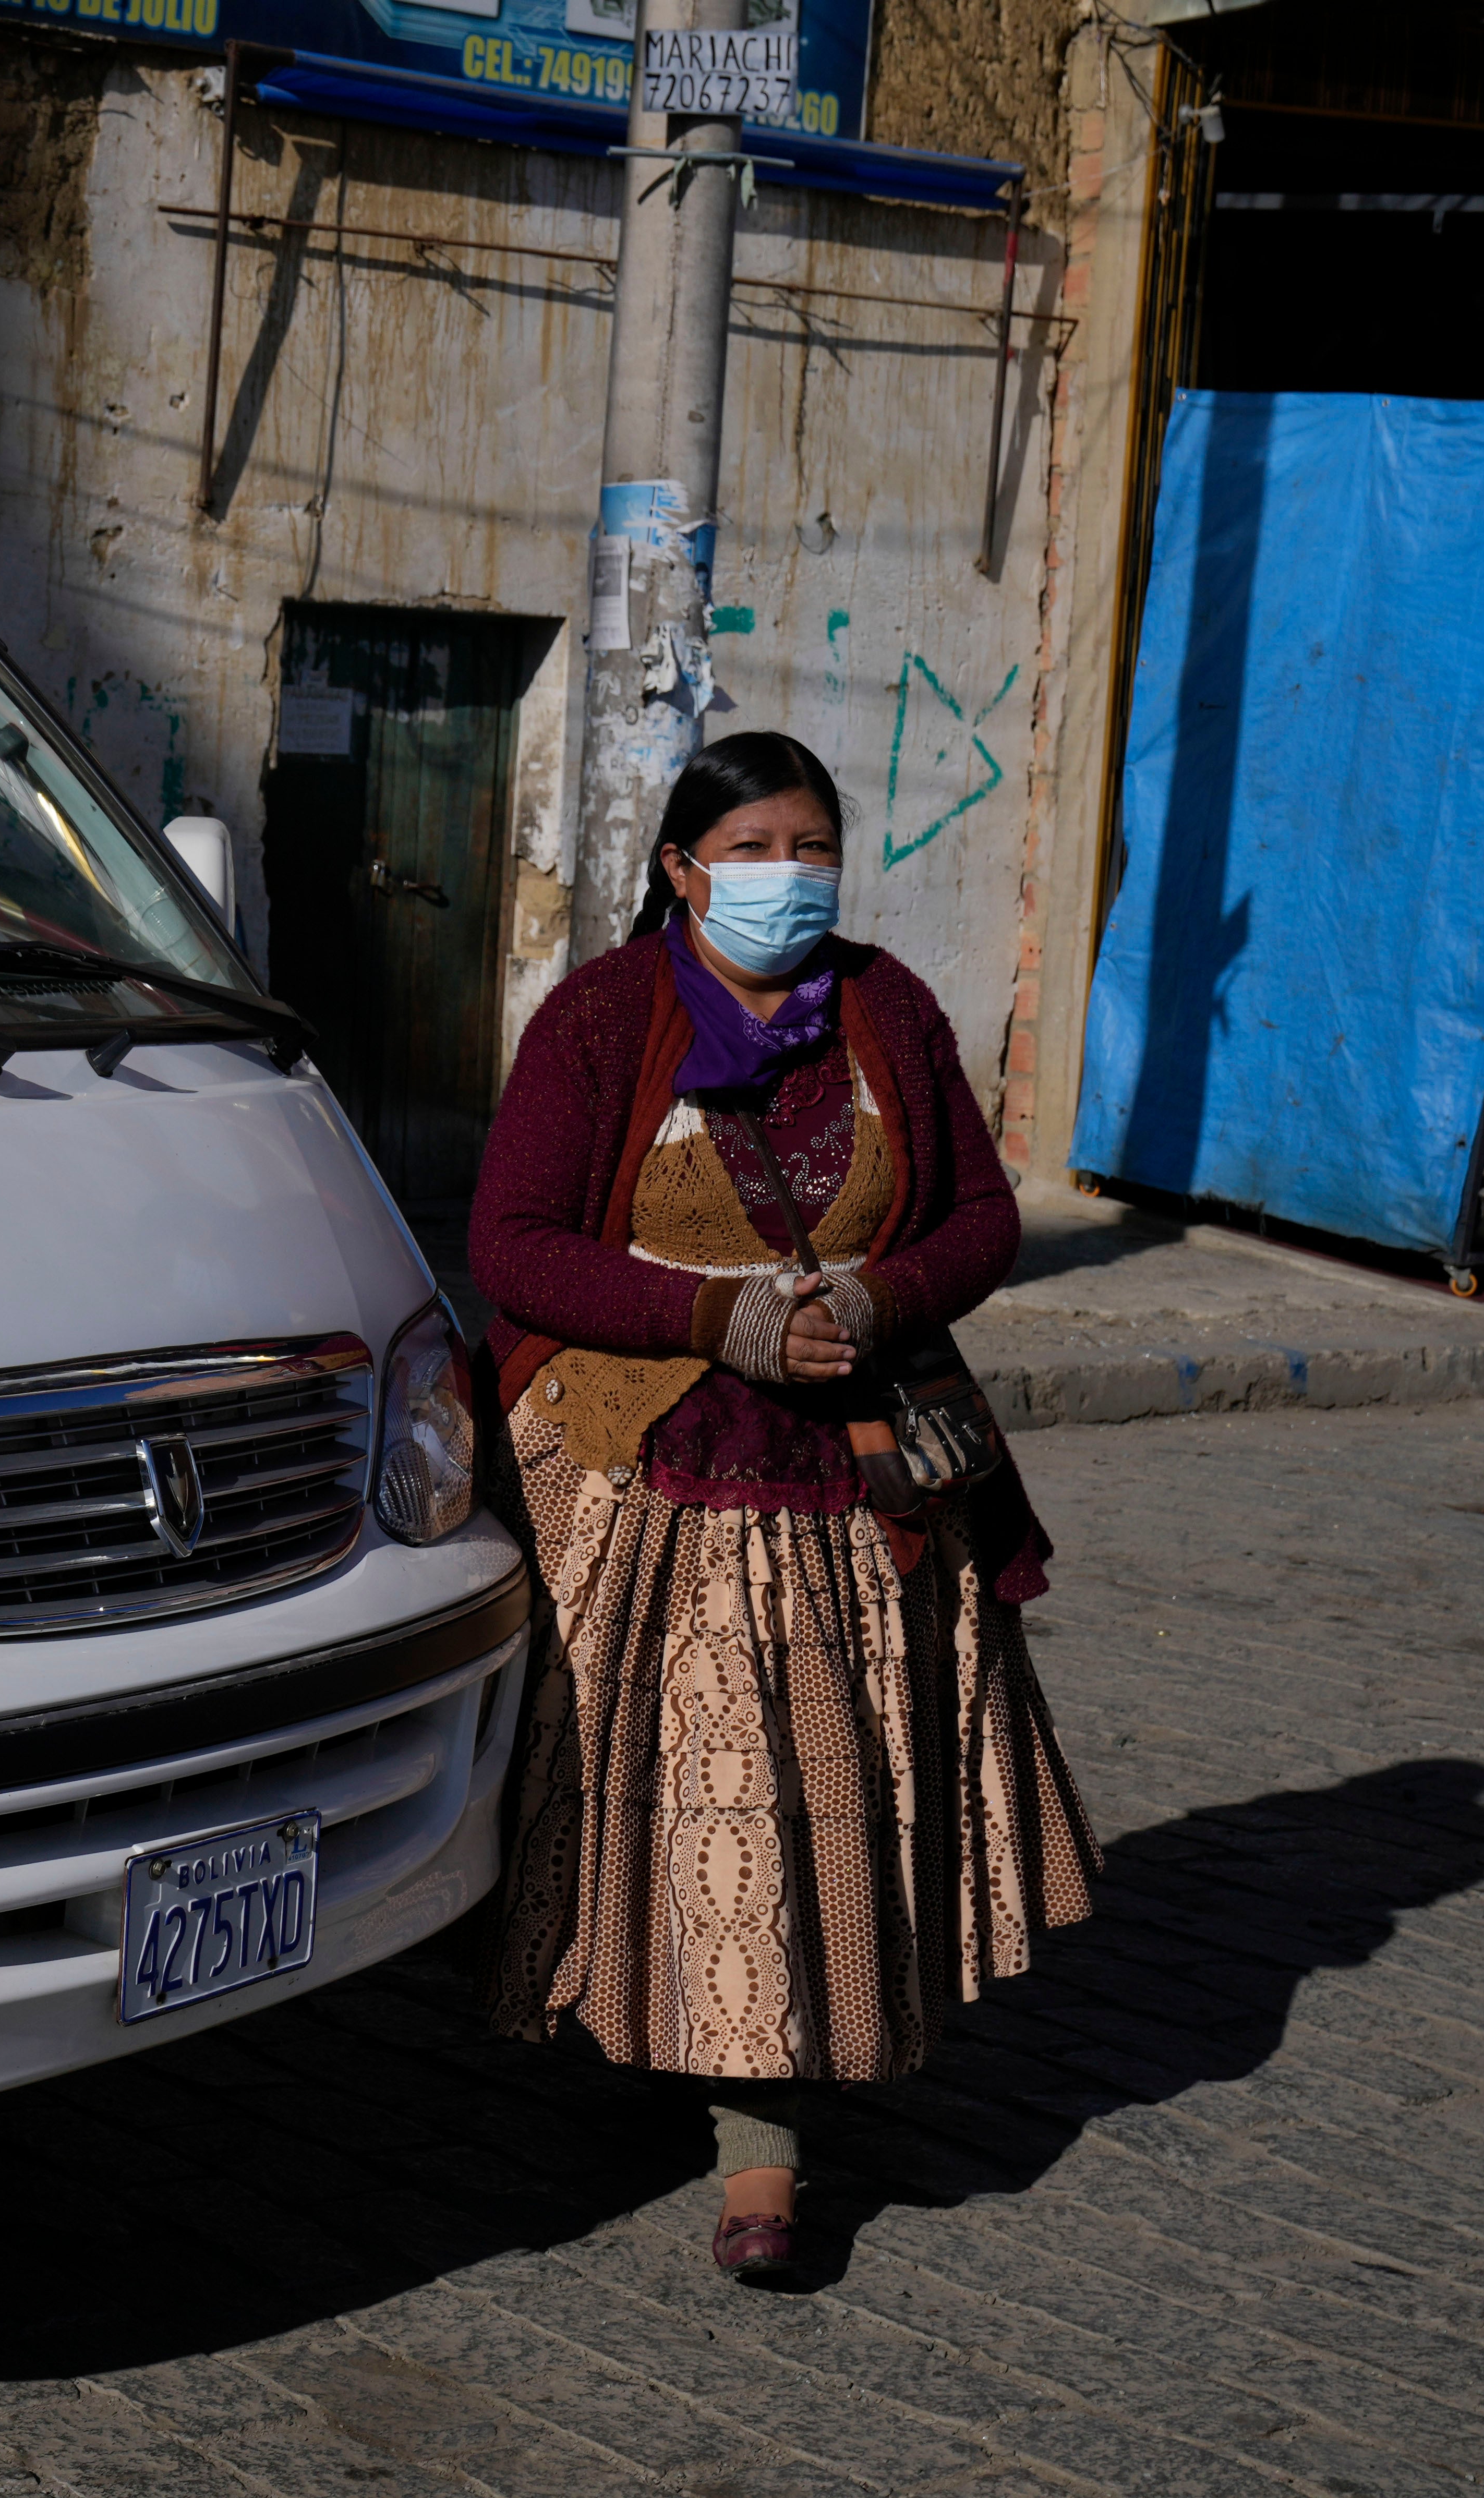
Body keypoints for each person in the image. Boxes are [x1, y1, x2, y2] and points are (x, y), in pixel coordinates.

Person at [466, 730, 1097, 2282]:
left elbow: (983, 1212)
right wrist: (714, 1320)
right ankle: (758, 2148)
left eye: (812, 847)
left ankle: (799, 2036)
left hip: (861, 1457)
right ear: (681, 869)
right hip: (664, 1443)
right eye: (751, 849)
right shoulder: (603, 1022)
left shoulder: (887, 1008)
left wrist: (882, 1301)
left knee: (848, 1784)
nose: (787, 878)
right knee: (729, 1789)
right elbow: (515, 1244)